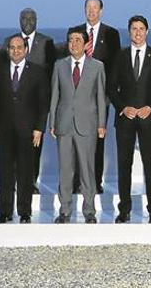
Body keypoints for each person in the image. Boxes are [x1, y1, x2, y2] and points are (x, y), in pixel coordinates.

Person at [108, 15, 151, 224]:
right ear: (129, 31)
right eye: (134, 28)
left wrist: (150, 108)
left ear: (147, 32)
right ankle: (124, 210)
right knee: (123, 165)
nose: (138, 32)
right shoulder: (120, 56)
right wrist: (123, 108)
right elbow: (111, 88)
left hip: (148, 119)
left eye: (141, 28)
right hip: (125, 119)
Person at [0, 35, 49, 224]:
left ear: (26, 49)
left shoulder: (38, 72)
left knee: (25, 172)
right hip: (4, 129)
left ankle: (24, 212)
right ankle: (5, 212)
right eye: (12, 47)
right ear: (8, 50)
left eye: (19, 47)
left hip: (28, 130)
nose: (16, 51)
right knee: (5, 171)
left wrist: (39, 128)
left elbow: (43, 104)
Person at [48, 28, 107, 224]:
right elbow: (55, 96)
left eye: (77, 40)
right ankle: (64, 210)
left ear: (86, 43)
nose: (74, 43)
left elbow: (100, 97)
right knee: (65, 170)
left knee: (87, 169)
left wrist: (101, 124)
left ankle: (89, 210)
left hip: (87, 125)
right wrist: (52, 123)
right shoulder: (59, 65)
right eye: (70, 40)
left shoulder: (97, 66)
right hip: (64, 124)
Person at [70, 0, 121, 194]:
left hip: (100, 97)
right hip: (76, 96)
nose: (91, 11)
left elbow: (115, 66)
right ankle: (76, 181)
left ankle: (94, 181)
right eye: (88, 8)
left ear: (101, 11)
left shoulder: (111, 34)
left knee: (97, 140)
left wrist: (109, 94)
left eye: (95, 8)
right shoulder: (75, 31)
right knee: (76, 139)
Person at [18, 7, 57, 193]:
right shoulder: (10, 42)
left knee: (34, 146)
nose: (27, 21)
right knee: (13, 147)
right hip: (14, 104)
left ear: (37, 20)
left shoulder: (46, 42)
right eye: (24, 18)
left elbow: (52, 72)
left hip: (37, 104)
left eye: (31, 18)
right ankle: (11, 182)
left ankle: (31, 182)